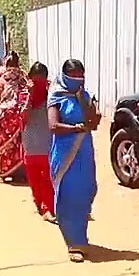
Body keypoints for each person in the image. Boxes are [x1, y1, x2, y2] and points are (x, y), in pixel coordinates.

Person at [47, 59, 100, 262]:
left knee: (85, 191)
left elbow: (91, 123)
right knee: (68, 195)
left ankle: (80, 235)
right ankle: (74, 243)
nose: (78, 79)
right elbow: (53, 126)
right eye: (74, 75)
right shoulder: (56, 97)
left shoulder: (84, 95)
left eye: (81, 75)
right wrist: (75, 128)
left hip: (84, 151)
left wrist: (88, 108)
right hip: (65, 153)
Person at [23, 61, 56, 222]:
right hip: (30, 142)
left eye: (41, 79)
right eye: (35, 80)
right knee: (34, 179)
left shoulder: (51, 95)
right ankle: (40, 204)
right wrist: (30, 95)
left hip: (48, 143)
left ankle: (48, 208)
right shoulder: (24, 95)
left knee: (48, 179)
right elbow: (23, 117)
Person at [0, 52, 30, 181]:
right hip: (19, 113)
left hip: (6, 115)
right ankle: (20, 172)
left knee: (5, 143)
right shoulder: (23, 78)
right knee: (19, 142)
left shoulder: (2, 79)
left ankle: (5, 171)